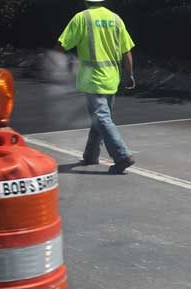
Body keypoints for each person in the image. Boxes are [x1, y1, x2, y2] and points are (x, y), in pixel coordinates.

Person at [57, 0, 136, 174]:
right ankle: (91, 155)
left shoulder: (81, 18)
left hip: (92, 79)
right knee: (99, 118)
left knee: (101, 118)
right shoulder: (115, 19)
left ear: (85, 1)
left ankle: (122, 156)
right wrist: (129, 75)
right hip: (112, 79)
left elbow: (62, 45)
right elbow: (127, 52)